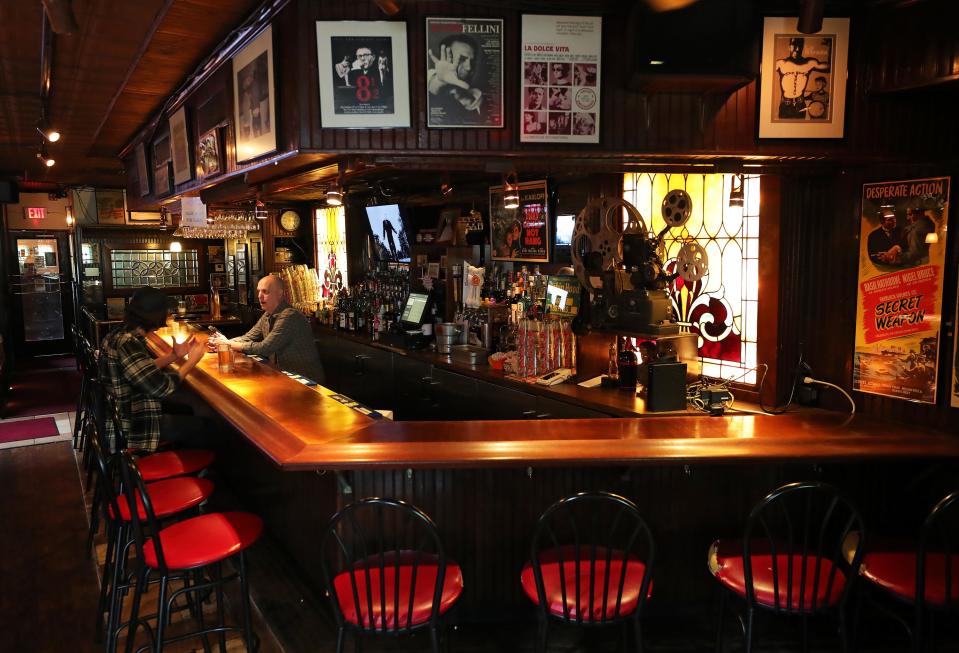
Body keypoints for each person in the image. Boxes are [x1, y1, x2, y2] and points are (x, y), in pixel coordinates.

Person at [100, 286, 208, 452]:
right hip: (135, 423)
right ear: (156, 315)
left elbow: (139, 371)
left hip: (123, 414)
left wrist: (173, 356)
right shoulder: (129, 343)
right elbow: (162, 387)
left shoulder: (118, 334)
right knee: (208, 427)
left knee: (186, 410)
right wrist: (192, 361)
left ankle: (183, 463)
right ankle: (196, 473)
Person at [209, 275, 325, 383]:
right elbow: (248, 337)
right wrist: (223, 342)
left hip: (307, 382)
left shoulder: (289, 316)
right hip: (285, 377)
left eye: (265, 292)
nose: (259, 296)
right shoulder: (268, 314)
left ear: (279, 294)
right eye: (258, 291)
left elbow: (265, 348)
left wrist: (227, 344)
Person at [427, 33, 483, 120]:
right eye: (462, 59)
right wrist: (439, 81)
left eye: (472, 62)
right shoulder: (427, 80)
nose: (469, 68)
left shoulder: (478, 99)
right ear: (445, 58)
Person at [775, 37, 829, 119]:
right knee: (783, 130)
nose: (796, 49)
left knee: (800, 129)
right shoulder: (780, 63)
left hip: (800, 104)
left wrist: (831, 46)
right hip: (785, 105)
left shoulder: (809, 63)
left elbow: (829, 67)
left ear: (802, 47)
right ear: (789, 47)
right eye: (794, 45)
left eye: (799, 46)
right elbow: (766, 69)